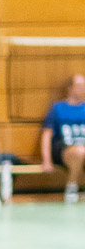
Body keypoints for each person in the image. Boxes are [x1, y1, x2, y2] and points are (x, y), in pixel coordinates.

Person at [40, 72, 85, 205]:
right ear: (70, 88)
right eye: (80, 86)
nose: (83, 89)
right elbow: (46, 135)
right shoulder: (58, 108)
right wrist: (46, 161)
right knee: (79, 151)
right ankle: (71, 187)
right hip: (63, 149)